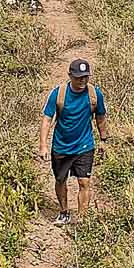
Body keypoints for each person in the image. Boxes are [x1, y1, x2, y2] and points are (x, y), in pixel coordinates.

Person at [39, 56, 106, 224]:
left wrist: (104, 139)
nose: (82, 80)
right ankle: (64, 211)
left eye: (85, 76)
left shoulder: (94, 94)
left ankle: (83, 220)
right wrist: (43, 146)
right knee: (60, 180)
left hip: (85, 145)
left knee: (84, 181)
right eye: (78, 77)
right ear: (70, 75)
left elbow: (100, 117)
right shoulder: (58, 93)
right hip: (61, 146)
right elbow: (47, 120)